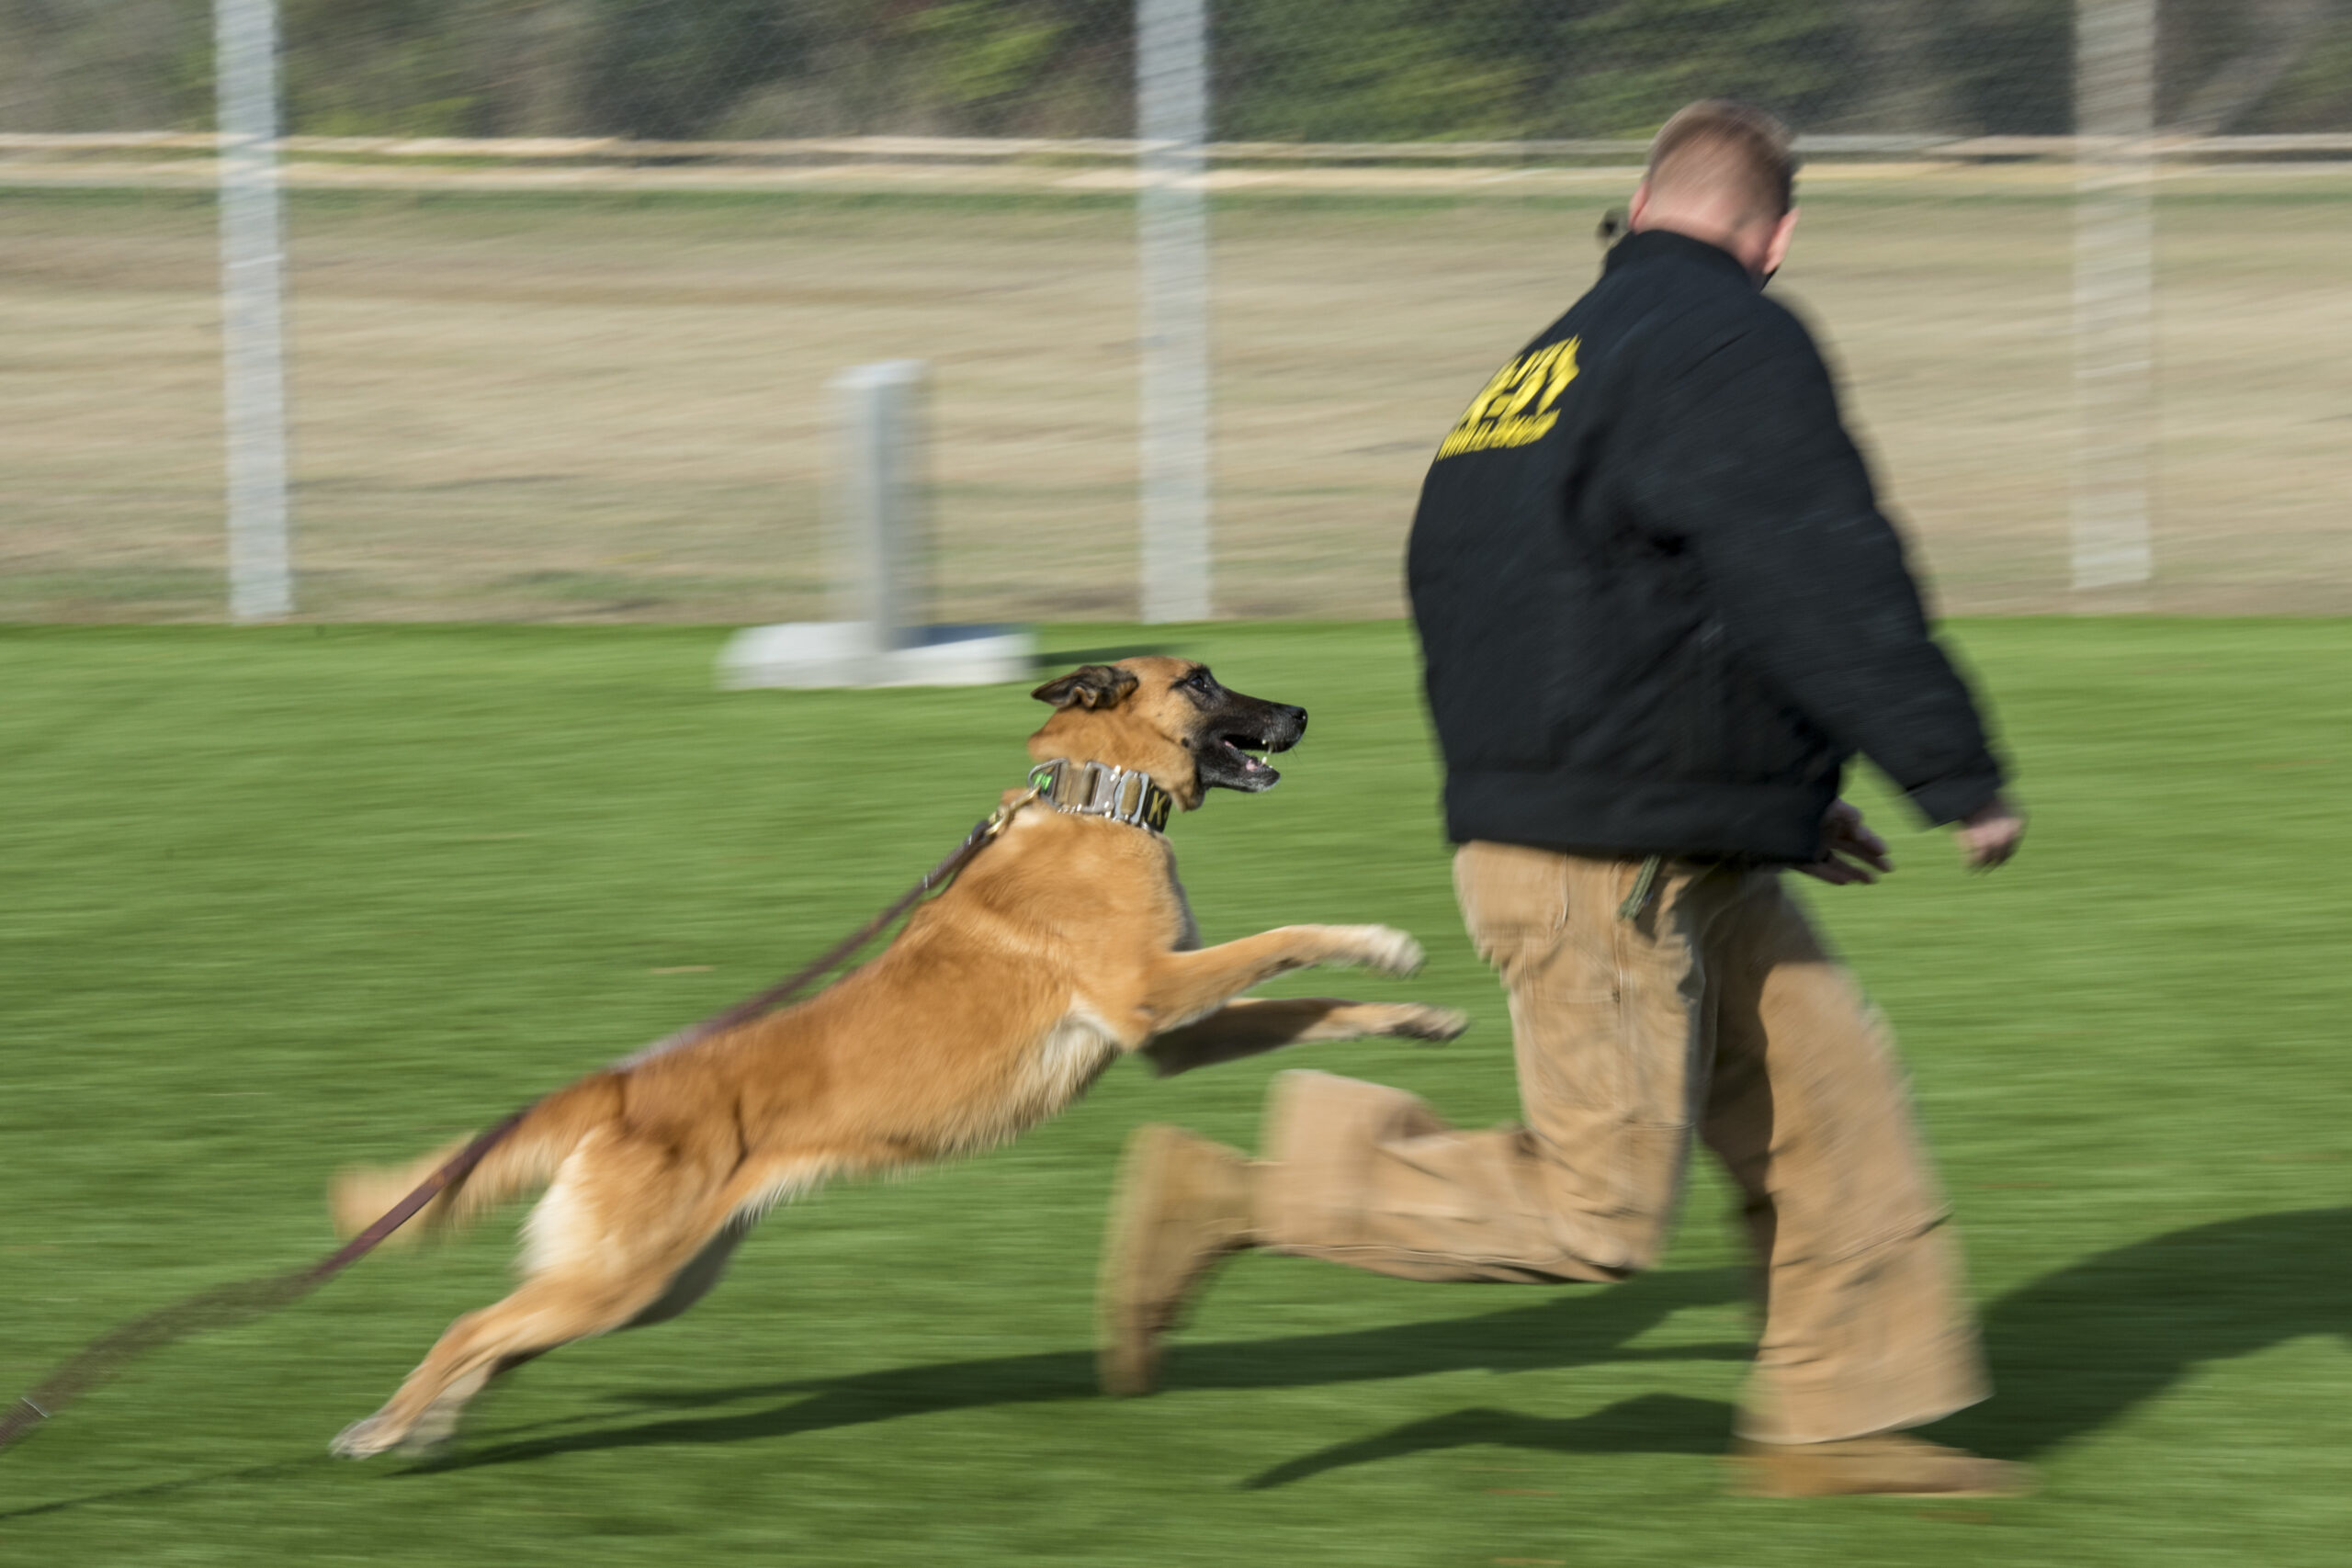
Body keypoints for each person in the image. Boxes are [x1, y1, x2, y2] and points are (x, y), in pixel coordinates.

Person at [1094, 99, 2032, 1499]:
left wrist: (1768, 797)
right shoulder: (1731, 339)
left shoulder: (1540, 372)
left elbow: (1594, 604)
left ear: (1643, 205)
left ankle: (1837, 1423)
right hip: (1605, 864)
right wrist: (1951, 768)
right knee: (1594, 1215)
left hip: (1646, 833)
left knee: (1833, 1105)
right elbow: (1815, 564)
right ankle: (1234, 1197)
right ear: (1777, 237)